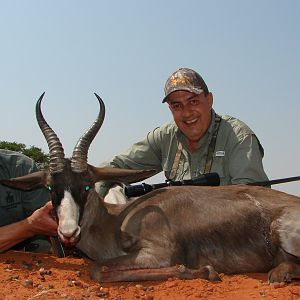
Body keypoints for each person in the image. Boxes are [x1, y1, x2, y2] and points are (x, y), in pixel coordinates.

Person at [96, 67, 269, 203]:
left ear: (209, 100)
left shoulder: (239, 137)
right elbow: (115, 166)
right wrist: (94, 191)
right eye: (177, 106)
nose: (186, 113)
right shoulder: (165, 136)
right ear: (170, 108)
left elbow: (253, 202)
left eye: (193, 101)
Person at [0, 149, 58, 252]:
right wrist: (30, 225)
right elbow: (36, 223)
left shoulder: (22, 167)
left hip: (27, 247)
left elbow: (47, 221)